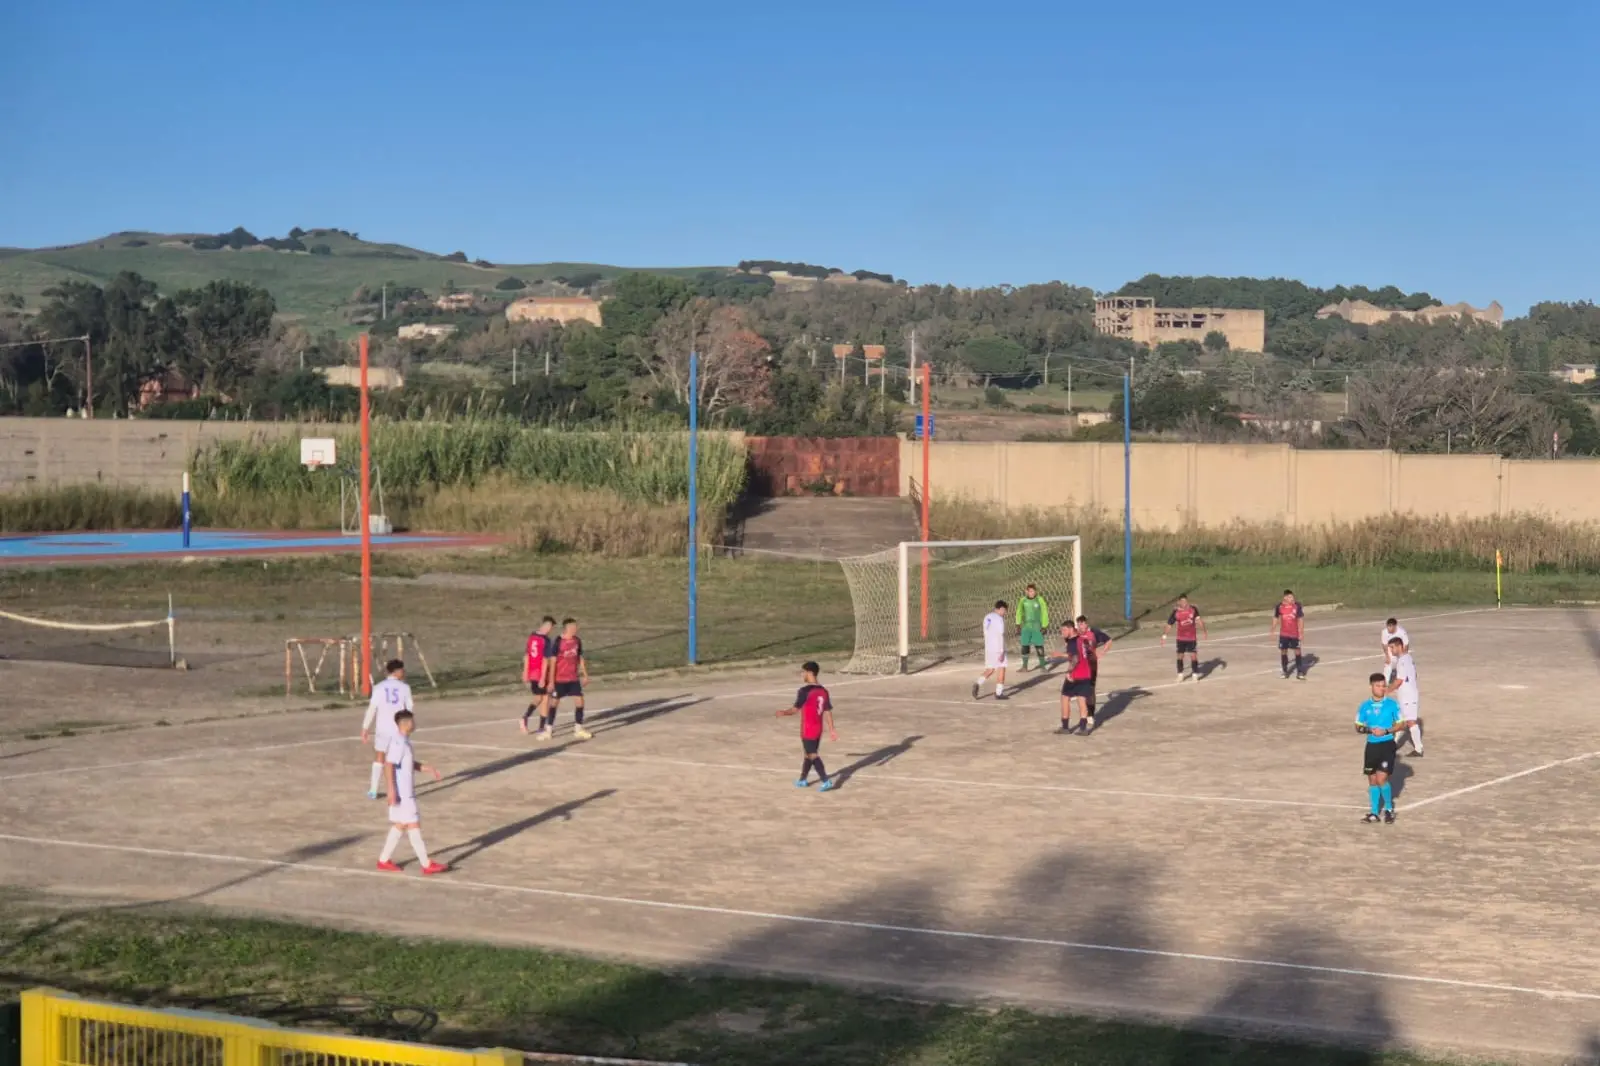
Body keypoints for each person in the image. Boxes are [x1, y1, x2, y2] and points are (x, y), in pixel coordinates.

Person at [376, 709, 448, 874]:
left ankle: (383, 860)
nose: (415, 723)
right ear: (406, 723)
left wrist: (425, 768)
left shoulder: (403, 741)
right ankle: (426, 864)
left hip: (404, 791)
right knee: (413, 824)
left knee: (401, 825)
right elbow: (389, 764)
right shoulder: (399, 742)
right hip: (403, 793)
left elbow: (406, 762)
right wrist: (391, 790)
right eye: (413, 721)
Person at [777, 660, 838, 791]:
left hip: (808, 729)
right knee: (808, 754)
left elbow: (794, 710)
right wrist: (832, 729)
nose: (802, 675)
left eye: (803, 672)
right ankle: (802, 780)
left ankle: (826, 780)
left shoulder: (804, 691)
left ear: (809, 672)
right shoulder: (823, 691)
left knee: (812, 755)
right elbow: (827, 711)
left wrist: (783, 712)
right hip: (818, 728)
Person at [360, 659, 411, 799]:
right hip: (399, 729)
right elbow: (410, 709)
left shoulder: (379, 687)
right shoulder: (405, 688)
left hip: (382, 728)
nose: (404, 672)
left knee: (379, 757)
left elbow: (372, 709)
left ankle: (373, 790)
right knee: (399, 759)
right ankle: (399, 789)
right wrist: (409, 727)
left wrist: (365, 727)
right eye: (402, 670)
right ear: (396, 672)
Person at [1355, 672, 1402, 824]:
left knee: (1382, 778)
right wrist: (1370, 730)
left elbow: (1401, 723)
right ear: (1371, 687)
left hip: (1387, 744)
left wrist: (1386, 731)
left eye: (1383, 686)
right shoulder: (1364, 706)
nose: (1381, 689)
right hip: (1371, 746)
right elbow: (1358, 726)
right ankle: (1374, 812)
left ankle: (1388, 809)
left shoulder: (1392, 704)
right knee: (1373, 780)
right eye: (1378, 686)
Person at [536, 618, 591, 741]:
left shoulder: (577, 641)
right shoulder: (558, 641)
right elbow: (553, 662)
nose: (575, 629)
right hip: (559, 679)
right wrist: (551, 681)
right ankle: (548, 730)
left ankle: (578, 729)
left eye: (576, 627)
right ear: (567, 628)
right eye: (573, 627)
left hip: (573, 678)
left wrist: (585, 674)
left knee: (580, 701)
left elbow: (580, 658)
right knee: (554, 703)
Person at [1057, 615, 1112, 734]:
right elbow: (1083, 652)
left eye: (1064, 630)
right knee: (1082, 699)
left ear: (1071, 629)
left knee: (1065, 697)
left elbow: (1075, 657)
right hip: (1086, 671)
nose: (1062, 633)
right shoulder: (1082, 639)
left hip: (1077, 673)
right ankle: (1083, 728)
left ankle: (1065, 726)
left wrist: (1069, 672)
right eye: (1079, 624)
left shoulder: (1075, 640)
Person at [1385, 636, 1423, 757]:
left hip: (1408, 696)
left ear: (1399, 646)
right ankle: (1394, 744)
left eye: (1392, 647)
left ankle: (1418, 749)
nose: (1391, 650)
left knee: (1410, 721)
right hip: (1406, 695)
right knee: (1400, 720)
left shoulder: (1402, 661)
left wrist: (1387, 690)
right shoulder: (1407, 658)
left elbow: (1399, 680)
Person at [519, 616, 557, 735]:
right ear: (545, 626)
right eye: (550, 627)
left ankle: (525, 718)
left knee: (539, 698)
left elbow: (527, 655)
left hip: (532, 672)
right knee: (545, 699)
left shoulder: (532, 636)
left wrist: (525, 671)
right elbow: (545, 660)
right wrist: (542, 677)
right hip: (540, 673)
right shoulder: (545, 640)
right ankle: (540, 727)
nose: (550, 630)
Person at [1162, 595, 1207, 681]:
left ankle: (1195, 674)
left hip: (1191, 637)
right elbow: (1169, 624)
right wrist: (1164, 635)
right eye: (1182, 602)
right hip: (1181, 638)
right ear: (1179, 602)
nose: (1184, 603)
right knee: (1180, 656)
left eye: (1186, 601)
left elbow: (1199, 620)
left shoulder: (1193, 609)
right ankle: (1180, 674)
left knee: (1193, 656)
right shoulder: (1176, 612)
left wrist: (1204, 631)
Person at [973, 600, 1009, 700]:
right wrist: (1001, 651)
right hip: (998, 647)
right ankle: (998, 693)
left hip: (989, 647)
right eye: (1005, 611)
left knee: (990, 669)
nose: (1004, 613)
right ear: (1001, 609)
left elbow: (986, 632)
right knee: (1001, 668)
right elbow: (1000, 635)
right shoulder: (999, 619)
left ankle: (978, 683)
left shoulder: (987, 617)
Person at [1271, 590, 1308, 680]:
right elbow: (1276, 617)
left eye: (1293, 597)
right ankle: (1285, 671)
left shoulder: (1297, 606)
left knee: (1297, 651)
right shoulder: (1279, 606)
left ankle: (1300, 672)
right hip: (1284, 634)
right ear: (1285, 598)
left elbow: (1300, 619)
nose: (1293, 599)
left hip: (1294, 634)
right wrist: (1273, 629)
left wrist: (1301, 632)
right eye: (1290, 597)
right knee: (1283, 651)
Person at [1016, 584, 1050, 672]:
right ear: (1026, 591)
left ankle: (1043, 667)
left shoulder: (1040, 600)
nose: (1032, 593)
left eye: (1033, 591)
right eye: (1030, 591)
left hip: (1036, 626)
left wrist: (1044, 625)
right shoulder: (1022, 601)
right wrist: (1018, 624)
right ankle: (1024, 667)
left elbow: (1044, 612)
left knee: (1039, 645)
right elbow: (1019, 612)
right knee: (1025, 645)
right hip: (1026, 626)